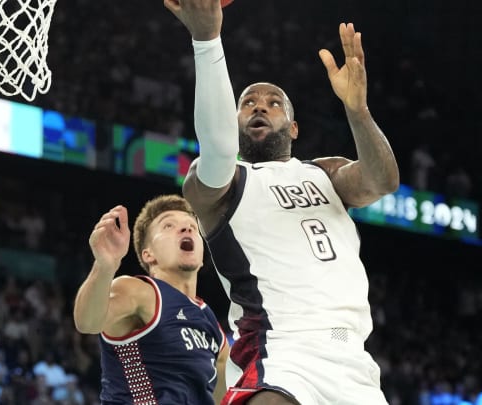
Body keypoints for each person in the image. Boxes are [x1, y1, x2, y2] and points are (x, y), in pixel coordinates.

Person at [163, 1, 400, 404]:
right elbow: (219, 150)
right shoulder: (220, 184)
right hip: (280, 350)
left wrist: (357, 112)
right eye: (247, 104)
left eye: (273, 103)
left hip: (353, 362)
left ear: (293, 127)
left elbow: (383, 180)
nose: (259, 106)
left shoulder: (326, 173)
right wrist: (207, 40)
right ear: (233, 123)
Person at [73, 194, 229, 404]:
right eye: (168, 226)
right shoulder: (138, 291)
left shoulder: (213, 328)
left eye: (192, 225)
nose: (186, 229)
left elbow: (223, 400)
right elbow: (87, 322)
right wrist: (105, 266)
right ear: (148, 254)